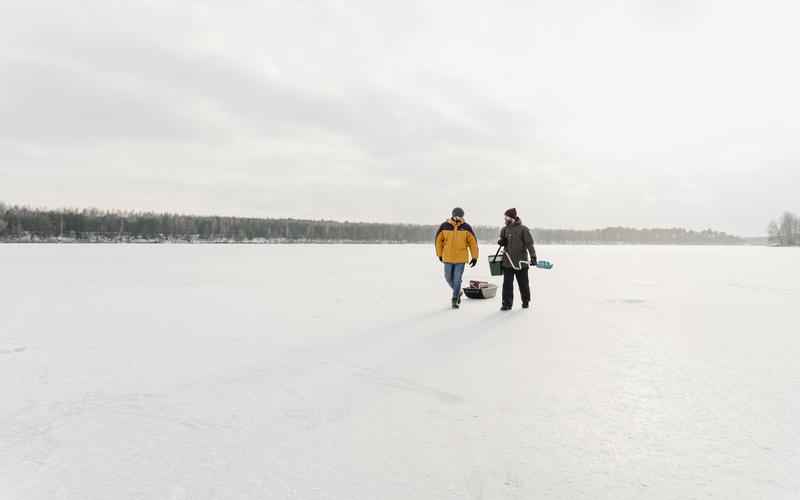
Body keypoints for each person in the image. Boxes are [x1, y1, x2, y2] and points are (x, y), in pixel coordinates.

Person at [435, 207, 479, 309]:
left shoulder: (466, 227)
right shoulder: (444, 226)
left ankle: (455, 299)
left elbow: (473, 243)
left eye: (460, 216)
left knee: (457, 279)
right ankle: (458, 291)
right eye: (456, 215)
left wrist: (475, 257)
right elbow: (438, 241)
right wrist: (440, 254)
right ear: (453, 215)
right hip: (447, 257)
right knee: (448, 277)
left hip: (461, 258)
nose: (458, 217)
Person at [497, 208, 537, 310]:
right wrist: (502, 242)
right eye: (505, 217)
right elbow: (502, 239)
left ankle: (525, 301)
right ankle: (506, 304)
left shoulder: (523, 229)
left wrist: (533, 256)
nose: (505, 219)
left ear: (512, 218)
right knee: (507, 284)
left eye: (507, 217)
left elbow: (529, 244)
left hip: (521, 263)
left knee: (523, 284)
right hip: (508, 262)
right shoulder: (504, 229)